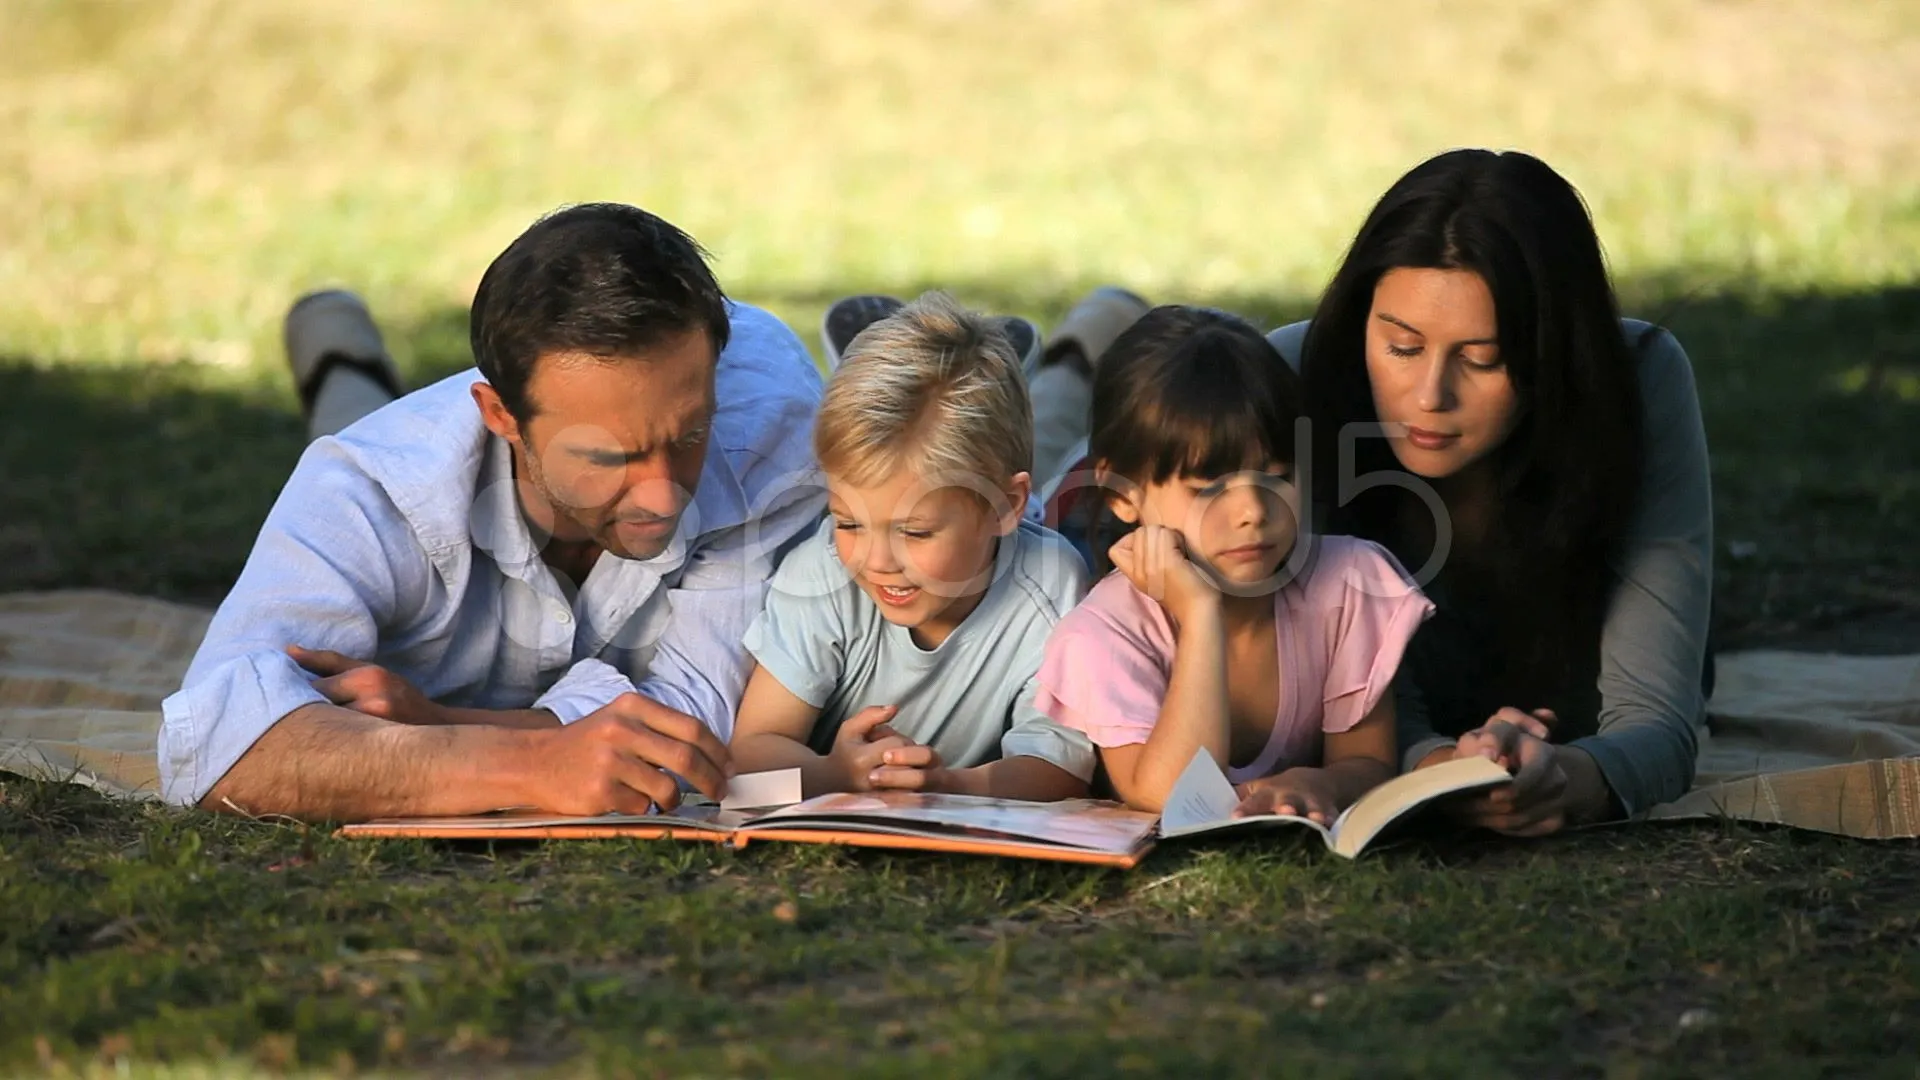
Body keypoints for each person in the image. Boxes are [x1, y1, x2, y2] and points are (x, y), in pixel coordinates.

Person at [158, 203, 824, 821]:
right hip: (393, 455)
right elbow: (222, 742)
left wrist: (440, 726)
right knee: (355, 433)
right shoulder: (370, 486)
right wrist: (526, 765)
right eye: (607, 457)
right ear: (501, 417)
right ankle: (341, 366)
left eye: (686, 437)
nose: (661, 495)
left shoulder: (768, 429)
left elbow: (699, 714)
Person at [1273, 148, 1713, 834]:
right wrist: (1439, 765)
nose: (1429, 396)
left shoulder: (1638, 382)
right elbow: (1355, 696)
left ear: (1558, 354)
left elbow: (1658, 721)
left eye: (1485, 359)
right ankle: (1080, 345)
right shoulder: (1297, 375)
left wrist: (1570, 777)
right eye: (1401, 347)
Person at [1030, 305, 1435, 817]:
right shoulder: (1106, 631)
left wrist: (1321, 784)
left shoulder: (1347, 584)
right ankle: (1078, 348)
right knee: (1038, 444)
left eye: (1278, 475)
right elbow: (1170, 795)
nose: (1251, 512)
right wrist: (1200, 615)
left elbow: (1367, 763)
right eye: (1209, 487)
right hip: (1065, 511)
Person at [731, 292, 1096, 798]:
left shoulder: (1052, 583)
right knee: (1044, 444)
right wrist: (838, 775)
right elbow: (750, 758)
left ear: (1004, 504)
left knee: (1076, 470)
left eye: (914, 532)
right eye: (848, 522)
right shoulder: (822, 572)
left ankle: (1086, 342)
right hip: (989, 505)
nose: (877, 562)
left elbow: (1060, 768)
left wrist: (946, 785)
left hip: (1030, 519)